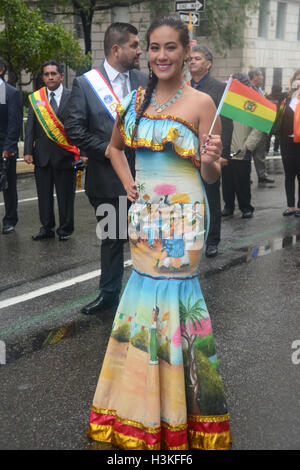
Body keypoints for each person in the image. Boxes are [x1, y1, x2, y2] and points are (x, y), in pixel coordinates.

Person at [87, 16, 231, 450]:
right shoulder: (134, 100)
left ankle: (175, 417)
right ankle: (140, 416)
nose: (161, 56)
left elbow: (209, 177)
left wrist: (212, 158)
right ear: (145, 53)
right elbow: (113, 148)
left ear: (187, 52)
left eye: (171, 47)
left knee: (171, 301)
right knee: (143, 300)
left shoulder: (203, 103)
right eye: (153, 48)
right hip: (144, 218)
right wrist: (128, 181)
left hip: (185, 220)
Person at [64, 23, 148, 315]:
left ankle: (144, 296)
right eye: (135, 45)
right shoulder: (86, 84)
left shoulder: (144, 79)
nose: (140, 51)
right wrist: (110, 151)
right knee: (113, 240)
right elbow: (73, 128)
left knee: (146, 239)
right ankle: (110, 295)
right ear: (116, 49)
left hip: (146, 178)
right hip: (108, 182)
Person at [187, 45, 233, 258]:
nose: (191, 62)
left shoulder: (219, 88)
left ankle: (212, 240)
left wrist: (223, 154)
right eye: (190, 59)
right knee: (190, 197)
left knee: (211, 197)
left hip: (210, 153)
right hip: (187, 153)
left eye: (197, 58)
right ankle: (192, 235)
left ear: (208, 63)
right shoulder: (185, 87)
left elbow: (226, 123)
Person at [24, 60, 77, 241]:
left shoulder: (73, 97)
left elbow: (79, 125)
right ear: (43, 77)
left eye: (53, 74)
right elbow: (30, 126)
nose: (50, 77)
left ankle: (65, 229)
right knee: (44, 196)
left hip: (66, 155)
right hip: (42, 156)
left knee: (66, 196)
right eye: (46, 74)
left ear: (61, 76)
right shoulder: (36, 98)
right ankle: (46, 228)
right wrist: (27, 150)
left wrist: (83, 153)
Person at [221, 72, 262, 218]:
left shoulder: (251, 103)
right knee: (226, 180)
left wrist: (247, 146)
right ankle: (228, 206)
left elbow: (258, 127)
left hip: (242, 148)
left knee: (242, 180)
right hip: (225, 148)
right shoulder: (225, 101)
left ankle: (246, 207)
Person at [0, 57, 23, 234]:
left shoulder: (10, 92)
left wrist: (8, 148)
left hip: (4, 148)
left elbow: (14, 124)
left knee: (8, 186)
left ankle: (10, 220)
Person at [278, 69, 300, 217]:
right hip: (286, 143)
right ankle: (290, 206)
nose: (298, 82)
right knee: (289, 175)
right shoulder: (286, 99)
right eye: (296, 79)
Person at [248, 69, 275, 184]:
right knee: (247, 152)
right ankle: (246, 176)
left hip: (261, 125)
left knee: (260, 152)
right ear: (254, 76)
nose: (262, 78)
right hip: (251, 125)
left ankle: (262, 175)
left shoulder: (260, 90)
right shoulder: (248, 90)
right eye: (260, 75)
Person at [266, 85, 286, 156]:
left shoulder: (268, 97)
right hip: (279, 120)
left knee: (268, 136)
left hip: (269, 119)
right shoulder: (282, 97)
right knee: (277, 136)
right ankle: (275, 150)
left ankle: (266, 150)